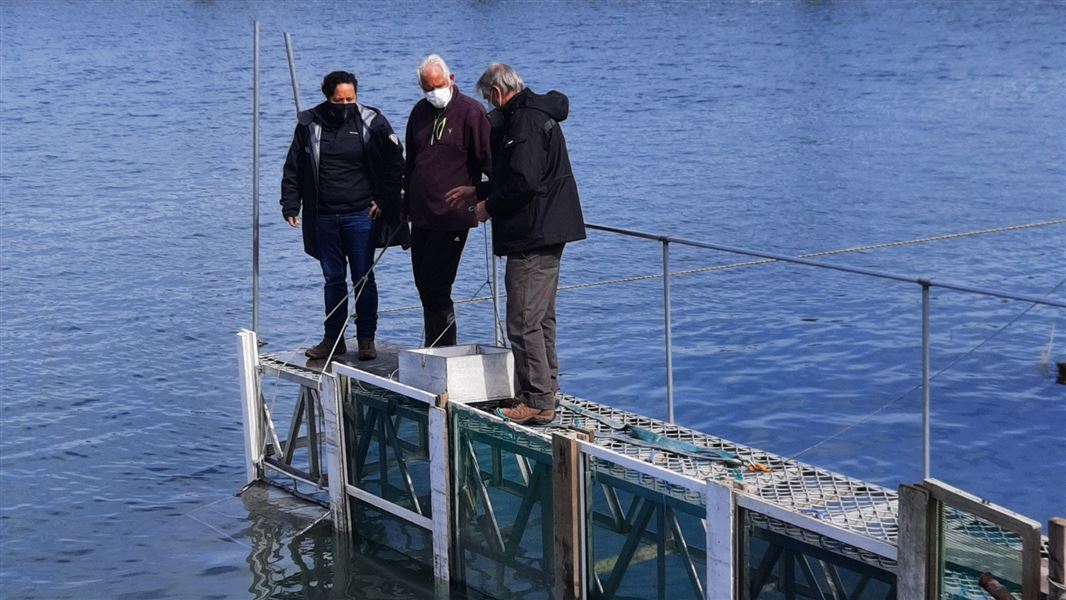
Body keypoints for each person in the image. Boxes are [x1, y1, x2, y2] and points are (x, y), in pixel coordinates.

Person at [445, 63, 585, 425]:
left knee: (523, 321)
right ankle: (545, 390)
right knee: (540, 318)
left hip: (533, 233)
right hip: (547, 228)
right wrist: (479, 190)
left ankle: (537, 399)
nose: (489, 105)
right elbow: (519, 176)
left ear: (495, 92)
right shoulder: (534, 114)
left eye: (487, 98)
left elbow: (524, 182)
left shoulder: (524, 121)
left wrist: (487, 208)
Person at [281, 71, 404, 361]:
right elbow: (294, 166)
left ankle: (366, 340)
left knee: (363, 278)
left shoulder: (372, 121)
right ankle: (333, 339)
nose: (346, 105)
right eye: (340, 101)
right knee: (333, 279)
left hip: (362, 215)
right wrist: (290, 204)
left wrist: (384, 199)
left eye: (351, 99)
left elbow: (396, 162)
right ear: (328, 97)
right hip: (324, 217)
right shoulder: (309, 124)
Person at [404, 54, 491, 347]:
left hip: (453, 215)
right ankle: (434, 345)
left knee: (437, 286)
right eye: (428, 88)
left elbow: (489, 162)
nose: (434, 92)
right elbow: (411, 163)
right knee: (423, 284)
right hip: (421, 215)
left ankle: (443, 348)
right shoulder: (419, 112)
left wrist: (485, 199)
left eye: (438, 85)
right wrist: (405, 207)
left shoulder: (471, 112)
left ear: (451, 79)